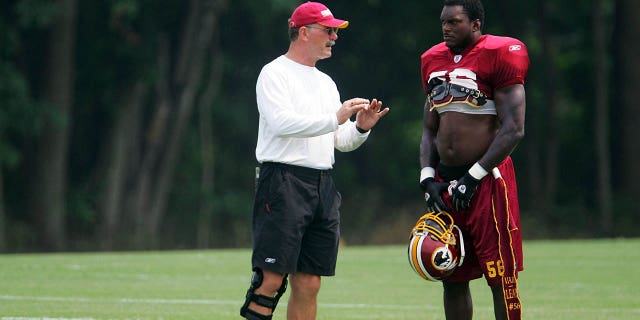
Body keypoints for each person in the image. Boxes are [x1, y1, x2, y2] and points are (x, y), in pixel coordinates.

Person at [240, 2, 389, 319]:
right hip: (281, 183)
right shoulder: (274, 73)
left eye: (336, 30)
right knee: (269, 279)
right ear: (303, 32)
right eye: (329, 30)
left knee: (309, 282)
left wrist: (361, 126)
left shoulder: (325, 82)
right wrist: (335, 117)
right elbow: (281, 124)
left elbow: (338, 140)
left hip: (322, 185)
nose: (335, 36)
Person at [418, 0, 529, 319]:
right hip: (446, 181)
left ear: (476, 24)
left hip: (487, 181)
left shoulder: (500, 53)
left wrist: (473, 177)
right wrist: (427, 178)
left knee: (501, 277)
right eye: (443, 22)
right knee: (451, 276)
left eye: (454, 22)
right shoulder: (431, 59)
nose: (446, 28)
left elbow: (513, 129)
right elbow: (429, 129)